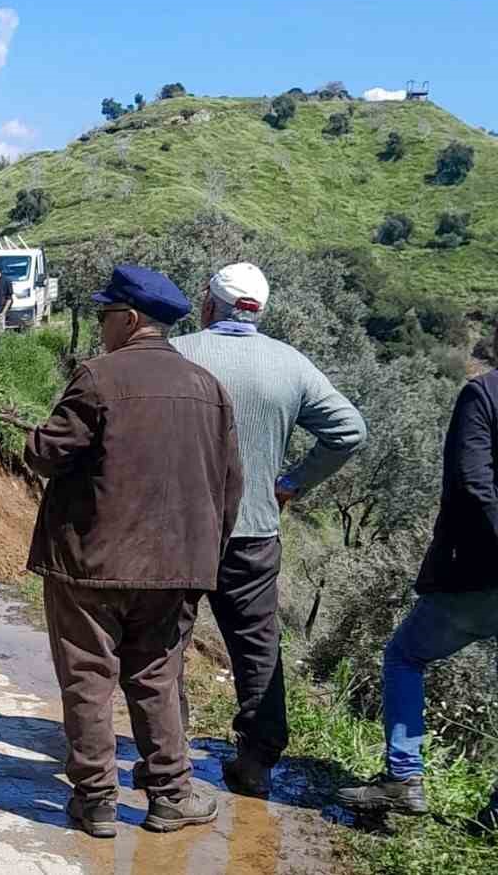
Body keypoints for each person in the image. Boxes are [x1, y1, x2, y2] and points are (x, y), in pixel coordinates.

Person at [25, 265, 243, 838]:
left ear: (130, 319)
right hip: (175, 568)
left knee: (88, 677)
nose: (101, 327)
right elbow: (230, 488)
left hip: (92, 565)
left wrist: (32, 438)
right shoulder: (209, 389)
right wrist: (203, 557)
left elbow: (49, 455)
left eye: (104, 316)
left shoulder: (97, 379)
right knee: (156, 676)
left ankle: (96, 802)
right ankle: (170, 795)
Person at [171, 262, 367, 797]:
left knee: (166, 639)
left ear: (209, 304)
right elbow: (350, 430)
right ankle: (256, 759)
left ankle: (167, 753)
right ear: (259, 312)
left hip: (179, 530)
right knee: (258, 647)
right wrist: (293, 483)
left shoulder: (178, 353)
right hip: (255, 532)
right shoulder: (290, 365)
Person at [339, 320, 498, 828]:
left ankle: (404, 777)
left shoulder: (483, 395)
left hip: (479, 572)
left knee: (406, 656)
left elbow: (472, 481)